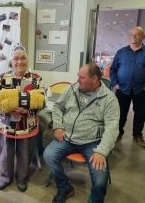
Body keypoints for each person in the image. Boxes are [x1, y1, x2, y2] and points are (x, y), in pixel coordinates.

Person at [43, 62, 120, 203]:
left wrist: (102, 151)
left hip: (92, 142)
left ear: (95, 79)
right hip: (67, 138)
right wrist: (58, 126)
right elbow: (58, 107)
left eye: (82, 78)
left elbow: (112, 127)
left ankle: (97, 200)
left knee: (100, 176)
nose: (78, 80)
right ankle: (65, 188)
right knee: (48, 155)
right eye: (78, 76)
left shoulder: (109, 99)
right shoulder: (72, 89)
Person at [0, 44, 44, 192]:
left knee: (25, 153)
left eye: (22, 58)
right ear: (11, 62)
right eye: (16, 59)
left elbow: (42, 102)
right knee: (5, 152)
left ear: (27, 60)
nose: (19, 62)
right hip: (6, 123)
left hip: (27, 124)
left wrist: (27, 110)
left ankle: (22, 178)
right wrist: (9, 109)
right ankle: (6, 177)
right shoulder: (2, 79)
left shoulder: (36, 80)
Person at [110, 26, 145, 148]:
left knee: (140, 114)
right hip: (122, 88)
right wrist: (115, 83)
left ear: (143, 37)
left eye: (137, 34)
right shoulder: (121, 52)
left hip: (141, 89)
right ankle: (118, 133)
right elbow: (113, 69)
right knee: (120, 113)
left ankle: (137, 135)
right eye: (131, 34)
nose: (133, 36)